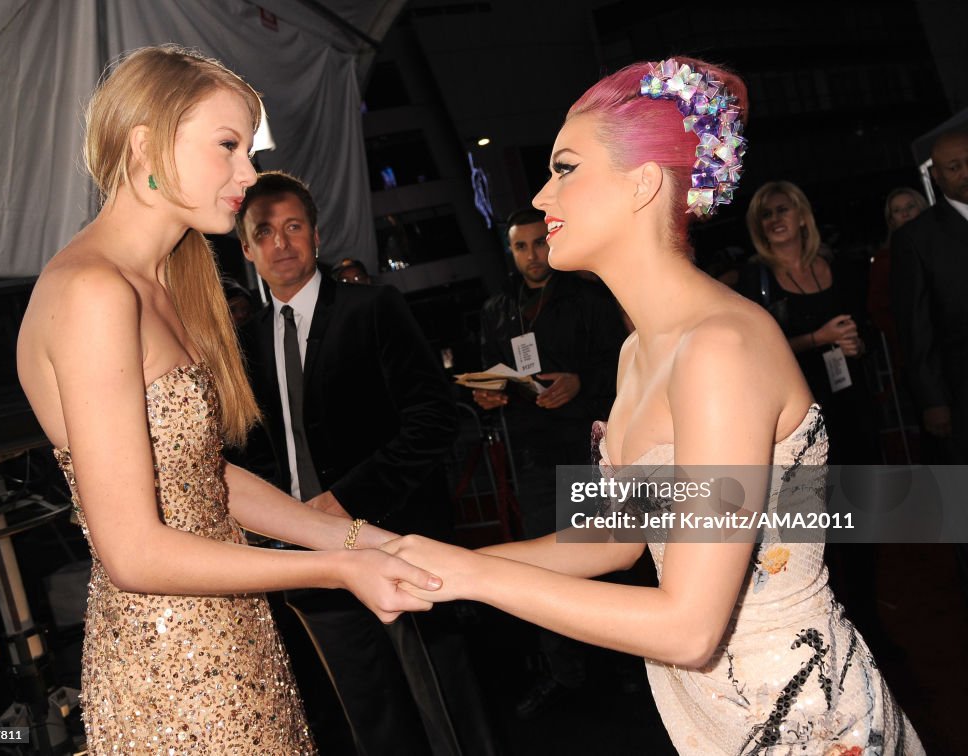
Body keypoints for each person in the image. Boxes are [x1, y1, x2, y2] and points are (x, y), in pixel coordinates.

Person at [384, 57, 921, 754]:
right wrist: (443, 562)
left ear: (643, 184)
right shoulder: (639, 353)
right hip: (710, 711)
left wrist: (471, 575)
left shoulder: (720, 347)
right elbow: (615, 539)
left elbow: (688, 626)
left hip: (799, 717)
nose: (543, 194)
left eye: (566, 168)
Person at [14, 45, 440, 754]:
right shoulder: (92, 292)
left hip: (232, 639)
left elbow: (201, 478)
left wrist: (366, 540)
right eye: (228, 145)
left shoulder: (162, 283)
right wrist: (339, 567)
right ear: (146, 141)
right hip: (173, 669)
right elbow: (134, 553)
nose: (248, 173)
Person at [233, 170, 496, 756]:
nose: (281, 243)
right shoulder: (242, 343)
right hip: (306, 560)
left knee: (444, 699)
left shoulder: (373, 306)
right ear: (247, 248)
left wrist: (344, 501)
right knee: (370, 716)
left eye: (294, 226)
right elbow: (250, 451)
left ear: (317, 236)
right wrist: (281, 523)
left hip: (396, 537)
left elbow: (435, 418)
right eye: (265, 232)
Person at [473, 206, 626, 716]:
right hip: (532, 453)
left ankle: (625, 667)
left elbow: (623, 363)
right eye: (521, 246)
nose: (532, 255)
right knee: (548, 568)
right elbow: (490, 375)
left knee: (608, 559)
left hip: (590, 448)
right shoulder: (498, 310)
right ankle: (567, 675)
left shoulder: (587, 297)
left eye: (539, 243)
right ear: (511, 251)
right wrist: (489, 395)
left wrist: (580, 382)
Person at [737, 181, 878, 465]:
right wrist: (819, 338)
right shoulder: (756, 278)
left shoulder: (836, 267)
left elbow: (865, 325)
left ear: (802, 217)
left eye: (782, 210)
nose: (775, 219)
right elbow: (756, 352)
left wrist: (857, 343)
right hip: (798, 409)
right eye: (766, 215)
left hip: (850, 398)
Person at [892, 129, 968, 464]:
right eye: (954, 167)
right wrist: (932, 400)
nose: (965, 173)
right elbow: (915, 325)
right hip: (961, 385)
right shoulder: (918, 238)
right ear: (936, 176)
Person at [867, 187, 928, 377]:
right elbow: (878, 308)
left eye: (911, 206)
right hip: (916, 351)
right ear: (891, 220)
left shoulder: (945, 246)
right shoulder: (884, 261)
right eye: (897, 210)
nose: (905, 213)